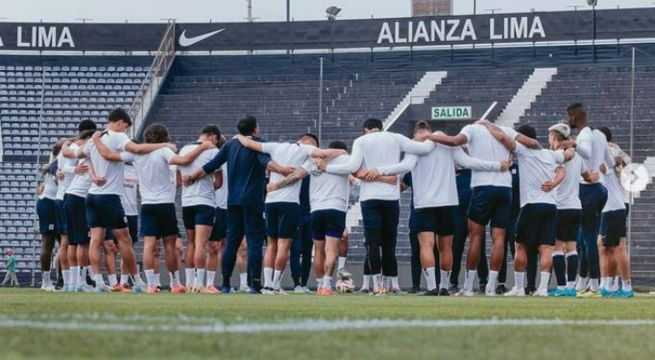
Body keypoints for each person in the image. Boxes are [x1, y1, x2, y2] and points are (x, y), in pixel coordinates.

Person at [377, 121, 509, 296]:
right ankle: (444, 286)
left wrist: (379, 170)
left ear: (417, 134)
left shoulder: (414, 146)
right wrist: (496, 166)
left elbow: (405, 167)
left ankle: (432, 286)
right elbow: (468, 162)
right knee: (445, 248)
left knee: (426, 245)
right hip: (447, 202)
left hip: (424, 203)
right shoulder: (446, 144)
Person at [318, 118, 434, 295]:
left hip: (370, 198)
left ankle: (376, 284)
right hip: (390, 198)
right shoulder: (395, 137)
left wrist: (327, 168)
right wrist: (424, 138)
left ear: (366, 129)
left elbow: (351, 166)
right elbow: (422, 151)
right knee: (389, 243)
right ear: (381, 128)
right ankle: (386, 284)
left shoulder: (361, 141)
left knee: (372, 243)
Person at [93, 123, 213, 294]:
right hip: (165, 203)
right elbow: (183, 160)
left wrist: (96, 140)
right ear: (164, 137)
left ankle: (150, 284)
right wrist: (202, 148)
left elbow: (108, 155)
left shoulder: (136, 154)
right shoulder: (163, 150)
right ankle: (175, 283)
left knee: (149, 244)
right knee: (170, 245)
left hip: (147, 204)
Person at [184, 115, 294, 293]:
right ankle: (255, 285)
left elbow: (211, 165)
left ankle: (226, 284)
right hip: (253, 200)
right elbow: (266, 162)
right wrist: (282, 169)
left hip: (233, 201)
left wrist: (192, 177)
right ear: (255, 129)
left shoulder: (230, 145)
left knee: (232, 242)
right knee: (254, 242)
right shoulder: (258, 143)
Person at [429, 121, 540, 296]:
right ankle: (491, 286)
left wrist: (428, 136)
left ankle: (467, 287)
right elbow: (533, 143)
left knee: (475, 237)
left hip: (482, 187)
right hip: (505, 189)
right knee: (499, 238)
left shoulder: (470, 129)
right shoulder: (506, 129)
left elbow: (455, 141)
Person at [80, 108, 177, 292]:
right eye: (125, 127)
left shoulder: (94, 140)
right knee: (125, 239)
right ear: (119, 123)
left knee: (95, 239)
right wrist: (163, 145)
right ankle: (137, 281)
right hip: (109, 196)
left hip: (92, 195)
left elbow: (80, 156)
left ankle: (99, 283)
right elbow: (137, 148)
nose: (125, 131)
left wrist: (93, 174)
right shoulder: (117, 136)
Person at [233, 132, 342, 294]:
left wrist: (239, 136)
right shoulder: (306, 150)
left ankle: (267, 284)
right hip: (289, 203)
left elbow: (250, 144)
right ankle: (275, 285)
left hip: (270, 201)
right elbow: (323, 155)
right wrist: (341, 152)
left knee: (271, 245)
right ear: (310, 143)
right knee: (283, 246)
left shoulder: (275, 146)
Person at [483, 122, 572, 297]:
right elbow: (566, 161)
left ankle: (518, 287)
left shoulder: (523, 151)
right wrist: (554, 181)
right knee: (546, 248)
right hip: (550, 206)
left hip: (531, 205)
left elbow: (501, 137)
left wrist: (487, 124)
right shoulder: (550, 154)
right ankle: (543, 288)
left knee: (520, 245)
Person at [561, 103, 608, 295]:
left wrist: (573, 144)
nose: (567, 120)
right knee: (582, 238)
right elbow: (611, 163)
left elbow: (586, 153)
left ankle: (595, 284)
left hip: (588, 190)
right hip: (599, 188)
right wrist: (604, 169)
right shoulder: (600, 135)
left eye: (569, 117)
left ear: (575, 116)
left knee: (588, 238)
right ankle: (582, 281)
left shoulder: (585, 134)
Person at [178, 125, 222, 293]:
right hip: (204, 201)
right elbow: (219, 182)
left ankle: (189, 283)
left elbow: (179, 179)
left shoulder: (185, 149)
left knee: (190, 243)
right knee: (201, 244)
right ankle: (199, 284)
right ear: (212, 137)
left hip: (186, 202)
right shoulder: (213, 152)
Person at [548, 124, 589, 297]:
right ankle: (572, 286)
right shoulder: (578, 158)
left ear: (555, 138)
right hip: (576, 207)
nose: (548, 140)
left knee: (558, 248)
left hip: (561, 207)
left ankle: (562, 286)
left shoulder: (555, 156)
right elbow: (587, 176)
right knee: (572, 248)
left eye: (550, 137)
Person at [597, 127, 634, 298]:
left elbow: (621, 163)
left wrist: (616, 162)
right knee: (609, 247)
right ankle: (610, 285)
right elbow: (628, 161)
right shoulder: (614, 150)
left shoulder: (608, 151)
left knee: (614, 247)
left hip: (612, 205)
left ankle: (621, 287)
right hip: (618, 203)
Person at [61, 129, 96, 292]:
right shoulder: (90, 148)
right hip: (78, 198)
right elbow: (63, 167)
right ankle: (79, 282)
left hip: (71, 196)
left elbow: (66, 156)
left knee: (73, 242)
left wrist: (69, 143)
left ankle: (73, 283)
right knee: (82, 241)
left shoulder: (81, 149)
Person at [36, 142, 61, 291]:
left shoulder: (61, 161)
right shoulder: (55, 161)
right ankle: (45, 281)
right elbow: (58, 145)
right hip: (49, 202)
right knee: (48, 242)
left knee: (64, 243)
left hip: (59, 202)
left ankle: (62, 280)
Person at [207, 135, 228, 292]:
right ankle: (207, 283)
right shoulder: (212, 161)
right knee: (213, 246)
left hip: (233, 207)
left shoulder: (233, 161)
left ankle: (240, 283)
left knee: (238, 247)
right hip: (217, 207)